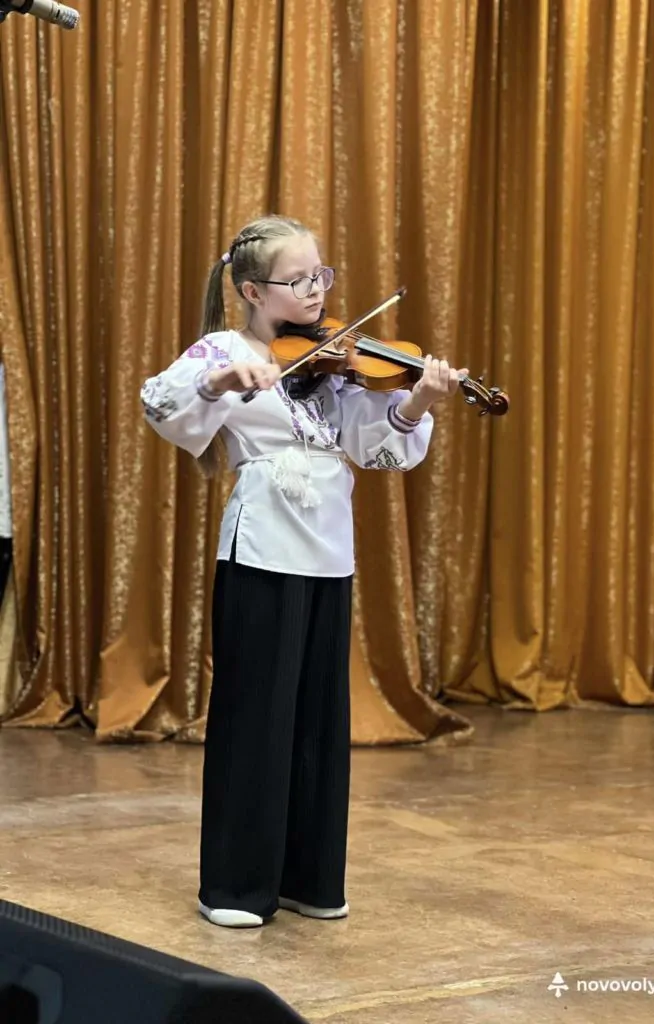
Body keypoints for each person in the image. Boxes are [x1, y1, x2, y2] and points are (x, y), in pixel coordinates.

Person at [140, 214, 465, 928]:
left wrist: (418, 400)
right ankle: (235, 886)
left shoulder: (331, 358)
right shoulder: (224, 348)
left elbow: (376, 449)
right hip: (261, 546)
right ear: (253, 291)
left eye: (321, 274)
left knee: (319, 718)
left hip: (328, 550)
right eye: (299, 279)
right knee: (255, 715)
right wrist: (221, 380)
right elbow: (160, 401)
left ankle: (308, 879)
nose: (317, 290)